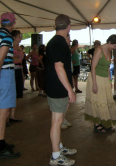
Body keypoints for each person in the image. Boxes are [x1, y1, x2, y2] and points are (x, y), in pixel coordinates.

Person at [44, 14, 76, 165]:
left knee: (58, 118)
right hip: (58, 88)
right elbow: (59, 68)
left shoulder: (55, 42)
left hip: (55, 87)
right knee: (57, 121)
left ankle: (59, 147)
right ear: (69, 27)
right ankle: (56, 157)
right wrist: (70, 90)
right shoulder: (59, 43)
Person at [0, 12, 21, 158]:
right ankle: (0, 147)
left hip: (0, 74)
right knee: (4, 112)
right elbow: (0, 59)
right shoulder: (6, 37)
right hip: (4, 74)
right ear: (12, 24)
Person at [84, 34, 116, 133]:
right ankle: (97, 124)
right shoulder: (99, 50)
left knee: (105, 102)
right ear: (109, 42)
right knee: (99, 102)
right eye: (115, 45)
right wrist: (94, 84)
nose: (115, 47)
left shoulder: (110, 50)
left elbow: (108, 68)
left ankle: (105, 123)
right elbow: (93, 67)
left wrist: (110, 81)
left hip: (104, 79)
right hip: (96, 78)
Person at [9, 30, 24, 123]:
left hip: (18, 70)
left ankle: (12, 116)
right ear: (14, 37)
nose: (20, 37)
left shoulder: (19, 48)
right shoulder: (10, 46)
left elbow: (21, 61)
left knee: (17, 93)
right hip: (11, 70)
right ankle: (6, 116)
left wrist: (22, 72)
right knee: (10, 93)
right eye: (19, 36)